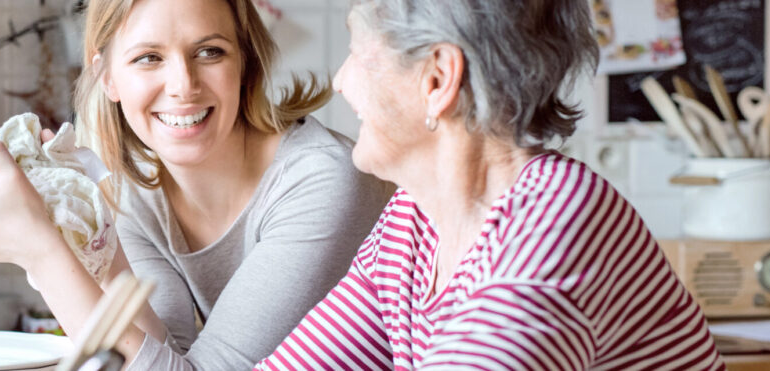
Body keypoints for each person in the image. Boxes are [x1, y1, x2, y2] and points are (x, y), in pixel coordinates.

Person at [0, 0, 392, 369]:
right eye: (148, 58)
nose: (183, 84)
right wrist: (82, 233)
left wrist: (40, 249)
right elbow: (161, 357)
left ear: (245, 64)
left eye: (209, 51)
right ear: (108, 77)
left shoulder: (321, 180)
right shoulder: (139, 191)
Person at [255, 0, 725, 369]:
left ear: (438, 79)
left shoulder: (558, 221)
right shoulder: (410, 223)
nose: (339, 81)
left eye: (357, 52)